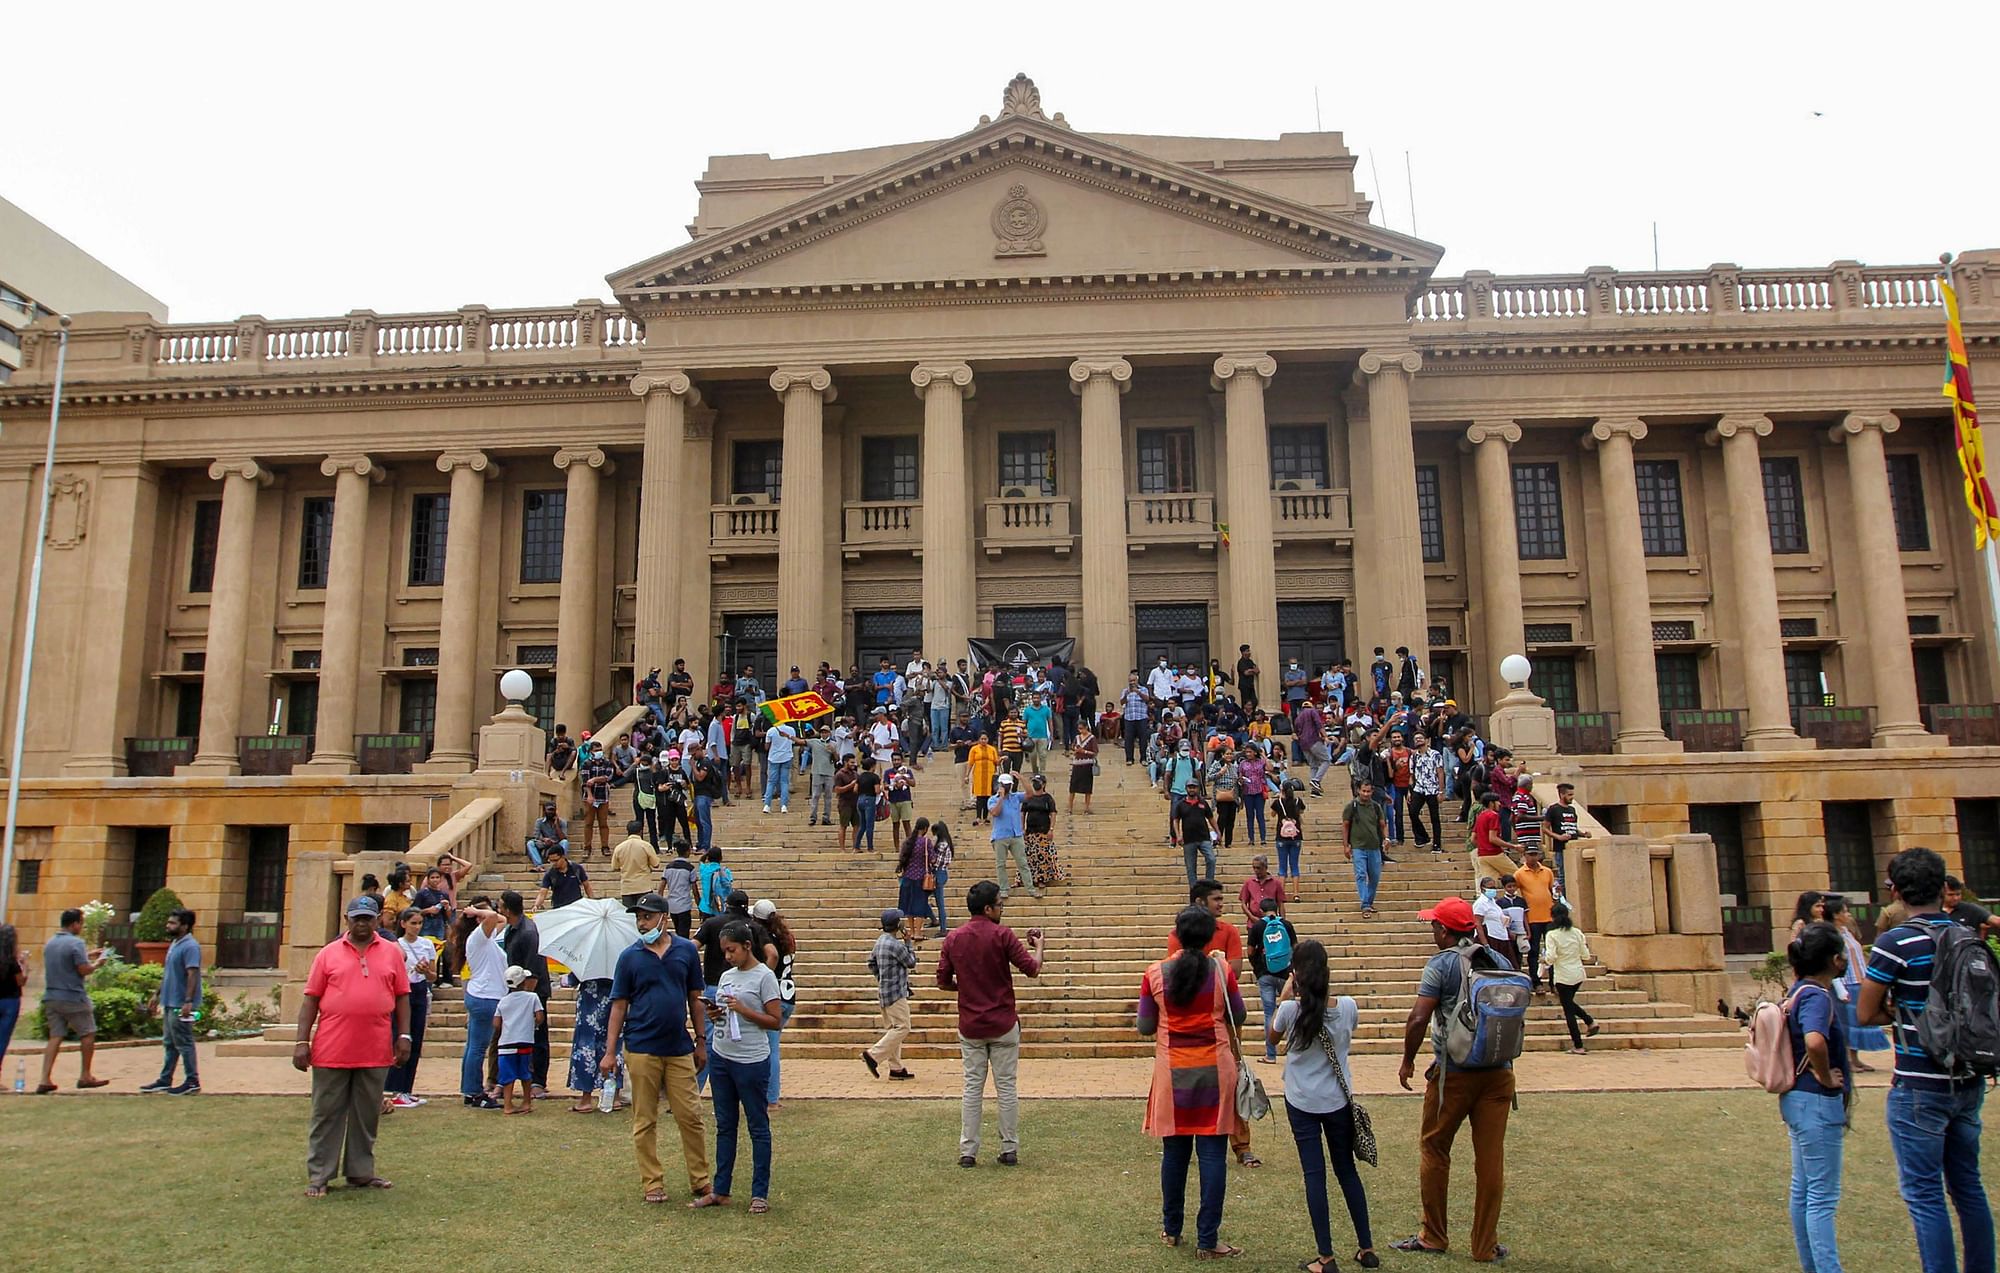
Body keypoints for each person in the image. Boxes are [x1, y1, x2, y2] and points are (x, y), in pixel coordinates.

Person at [1858, 846, 1996, 1273]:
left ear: (1896, 891)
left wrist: (1903, 1011)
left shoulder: (1895, 941)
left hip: (1919, 1082)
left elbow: (1865, 1013)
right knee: (1968, 1187)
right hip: (1968, 1078)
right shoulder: (1967, 936)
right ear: (1943, 888)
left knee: (1924, 1193)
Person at [1392, 896, 1515, 1262]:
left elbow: (1418, 1019)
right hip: (1499, 1072)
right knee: (1490, 1159)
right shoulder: (1499, 959)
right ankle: (1484, 1245)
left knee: (1434, 1147)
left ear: (1444, 930)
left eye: (1434, 925)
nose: (1433, 930)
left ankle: (1434, 1234)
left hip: (1454, 1073)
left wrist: (1408, 1061)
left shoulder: (1441, 965)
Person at [1138, 906, 1246, 1259]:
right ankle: (1208, 1239)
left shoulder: (1155, 973)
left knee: (1175, 1153)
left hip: (1173, 1070)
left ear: (1177, 935)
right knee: (1213, 1154)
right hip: (1215, 1068)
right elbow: (1239, 1014)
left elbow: (1144, 1026)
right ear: (1208, 937)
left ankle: (1171, 1229)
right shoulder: (1221, 970)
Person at [292, 896, 411, 1197]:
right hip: (332, 1047)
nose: (362, 924)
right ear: (346, 919)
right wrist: (301, 1041)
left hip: (375, 1046)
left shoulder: (391, 953)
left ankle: (360, 1172)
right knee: (326, 1113)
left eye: (367, 918)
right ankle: (320, 1175)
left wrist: (405, 1036)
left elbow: (402, 996)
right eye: (356, 918)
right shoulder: (328, 954)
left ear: (378, 920)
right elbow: (311, 1000)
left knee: (366, 1113)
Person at [1271, 938, 1375, 1273]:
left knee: (1314, 1174)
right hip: (1337, 1100)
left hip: (1302, 1099)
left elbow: (1272, 1039)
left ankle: (1326, 1257)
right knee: (1347, 1172)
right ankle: (1366, 1247)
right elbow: (1348, 1034)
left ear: (1296, 974)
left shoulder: (1290, 1011)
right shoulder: (1347, 1006)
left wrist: (1287, 993)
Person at [604, 893, 713, 1205]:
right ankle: (652, 1182)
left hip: (678, 1046)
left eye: (647, 917)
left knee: (690, 1114)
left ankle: (701, 1179)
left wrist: (701, 1039)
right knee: (645, 1118)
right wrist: (610, 1051)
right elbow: (619, 1005)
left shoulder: (685, 952)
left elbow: (695, 997)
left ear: (664, 918)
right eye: (639, 917)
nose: (642, 923)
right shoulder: (629, 957)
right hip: (640, 1046)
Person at [936, 879, 1044, 1167]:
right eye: (999, 904)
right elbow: (1032, 969)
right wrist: (1039, 947)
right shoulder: (1003, 935)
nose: (1002, 908)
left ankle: (967, 1151)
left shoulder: (954, 938)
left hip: (971, 1024)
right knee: (1006, 1087)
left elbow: (943, 981)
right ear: (988, 908)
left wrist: (967, 987)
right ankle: (1009, 1148)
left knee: (972, 1087)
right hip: (1003, 1023)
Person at [693, 918, 783, 1214]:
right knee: (725, 1125)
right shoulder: (728, 975)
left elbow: (774, 1020)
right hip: (722, 1056)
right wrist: (716, 1012)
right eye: (724, 951)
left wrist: (744, 1009)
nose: (728, 956)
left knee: (757, 1126)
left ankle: (760, 1193)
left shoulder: (763, 977)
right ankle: (721, 1189)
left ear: (747, 946)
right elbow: (724, 1014)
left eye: (732, 950)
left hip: (751, 1060)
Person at [1778, 921, 1852, 1273]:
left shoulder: (1796, 991)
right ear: (1835, 960)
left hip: (1796, 1100)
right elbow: (1814, 1040)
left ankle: (1813, 1266)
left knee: (1804, 1190)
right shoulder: (1817, 997)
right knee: (1822, 1197)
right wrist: (1825, 1075)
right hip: (1817, 1101)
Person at [35, 907, 110, 1094]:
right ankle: (85, 1075)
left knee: (56, 1036)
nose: (81, 927)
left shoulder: (51, 943)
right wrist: (97, 963)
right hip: (72, 996)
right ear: (75, 923)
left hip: (52, 996)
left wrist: (88, 954)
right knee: (87, 1033)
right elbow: (83, 969)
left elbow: (66, 961)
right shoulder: (76, 943)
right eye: (80, 923)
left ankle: (45, 1078)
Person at [139, 907, 202, 1094]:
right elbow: (168, 973)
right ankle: (165, 1079)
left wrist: (188, 1001)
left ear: (185, 926)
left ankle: (192, 1080)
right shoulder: (175, 944)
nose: (168, 926)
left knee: (184, 1041)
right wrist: (156, 995)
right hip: (169, 1000)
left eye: (173, 923)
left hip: (180, 1002)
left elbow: (193, 973)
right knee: (169, 1042)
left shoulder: (190, 946)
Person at [500, 890, 553, 1095]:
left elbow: (534, 970)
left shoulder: (528, 933)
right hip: (517, 989)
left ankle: (538, 1080)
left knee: (538, 1035)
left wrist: (526, 1000)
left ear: (507, 909)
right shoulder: (511, 930)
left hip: (533, 991)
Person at [455, 901, 507, 1108]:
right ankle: (473, 1091)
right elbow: (494, 917)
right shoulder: (477, 938)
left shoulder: (487, 939)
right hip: (485, 996)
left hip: (484, 994)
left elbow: (500, 920)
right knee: (477, 1047)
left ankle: (470, 1089)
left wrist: (479, 912)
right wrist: (476, 911)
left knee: (473, 1046)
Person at [384, 907, 434, 1108]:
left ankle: (406, 1088)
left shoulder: (427, 944)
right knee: (400, 1037)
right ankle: (395, 1087)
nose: (417, 927)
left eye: (420, 923)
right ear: (403, 924)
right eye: (413, 923)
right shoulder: (396, 945)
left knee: (416, 1037)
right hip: (401, 990)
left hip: (420, 989)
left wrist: (426, 972)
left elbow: (433, 975)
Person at [751, 899, 799, 1109]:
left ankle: (771, 1097)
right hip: (788, 994)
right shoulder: (787, 936)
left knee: (770, 1049)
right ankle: (768, 1094)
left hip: (774, 996)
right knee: (772, 1046)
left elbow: (772, 958)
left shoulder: (766, 940)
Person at [864, 909, 918, 1081]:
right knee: (903, 1027)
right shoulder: (895, 945)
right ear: (897, 924)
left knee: (892, 1028)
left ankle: (896, 1068)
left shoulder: (880, 941)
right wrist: (908, 943)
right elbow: (911, 963)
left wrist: (881, 978)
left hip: (884, 991)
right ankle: (873, 1055)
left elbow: (871, 963)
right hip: (896, 992)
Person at [1540, 901, 1600, 1054]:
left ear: (1552, 917)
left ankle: (1578, 1044)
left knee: (1568, 1009)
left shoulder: (1552, 935)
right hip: (1578, 973)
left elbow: (1551, 957)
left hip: (1563, 975)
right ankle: (1589, 1021)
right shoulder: (1577, 932)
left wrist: (1544, 960)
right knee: (1568, 1003)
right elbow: (1585, 955)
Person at [569, 965, 627, 1113]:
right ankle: (614, 1097)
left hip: (589, 1004)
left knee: (586, 1048)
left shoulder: (588, 957)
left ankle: (586, 1099)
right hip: (615, 1000)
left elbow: (572, 979)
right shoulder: (621, 956)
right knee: (614, 1046)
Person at [1248, 898, 1298, 1065]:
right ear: (1276, 909)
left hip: (1265, 974)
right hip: (1286, 974)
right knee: (1290, 1011)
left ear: (1261, 911)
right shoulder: (1287, 925)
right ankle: (1294, 1052)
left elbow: (1249, 951)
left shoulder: (1257, 927)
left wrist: (1257, 969)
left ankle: (1270, 1055)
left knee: (1269, 1013)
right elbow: (1296, 948)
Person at [494, 965, 545, 1115]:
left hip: (506, 1043)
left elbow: (496, 1023)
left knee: (507, 1074)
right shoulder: (532, 997)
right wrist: (533, 1024)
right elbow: (540, 1016)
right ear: (524, 982)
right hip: (525, 1040)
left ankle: (508, 1105)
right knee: (525, 1073)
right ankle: (526, 1101)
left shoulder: (503, 1001)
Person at [1514, 846, 1558, 994]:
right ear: (1524, 855)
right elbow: (1515, 893)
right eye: (1530, 854)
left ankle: (1554, 982)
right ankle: (1536, 982)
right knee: (1533, 951)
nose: (1533, 857)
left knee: (1552, 950)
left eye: (1535, 854)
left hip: (1549, 916)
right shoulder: (1519, 874)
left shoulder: (1547, 872)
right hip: (1532, 917)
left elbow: (1552, 891)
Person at [987, 773, 1038, 898]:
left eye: (1008, 785)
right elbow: (995, 813)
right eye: (1005, 785)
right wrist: (1001, 797)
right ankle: (1004, 889)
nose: (1007, 787)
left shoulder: (1016, 797)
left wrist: (1021, 778)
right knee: (1001, 864)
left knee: (1022, 863)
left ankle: (1030, 888)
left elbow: (1030, 794)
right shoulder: (992, 799)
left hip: (1016, 835)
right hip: (1000, 836)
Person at [1342, 779, 1386, 917]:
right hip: (1358, 847)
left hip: (1374, 846)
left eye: (1368, 791)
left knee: (1374, 876)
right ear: (1358, 791)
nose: (1366, 794)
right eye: (1363, 791)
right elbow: (1345, 825)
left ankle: (1368, 901)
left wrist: (1386, 838)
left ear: (1372, 791)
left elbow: (1383, 824)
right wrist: (1346, 845)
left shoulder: (1376, 807)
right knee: (1361, 875)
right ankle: (1365, 904)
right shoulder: (1352, 806)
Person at [896, 819, 938, 941]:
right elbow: (933, 859)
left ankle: (912, 931)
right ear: (925, 828)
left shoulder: (907, 842)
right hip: (921, 878)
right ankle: (918, 932)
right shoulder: (925, 842)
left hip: (907, 877)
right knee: (920, 905)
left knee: (909, 905)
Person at [1022, 774, 1066, 888]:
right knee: (1030, 856)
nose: (1036, 784)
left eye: (1038, 782)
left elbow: (1053, 813)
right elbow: (1023, 813)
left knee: (1043, 856)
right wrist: (1022, 828)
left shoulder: (1048, 798)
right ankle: (1030, 879)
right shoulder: (1029, 797)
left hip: (1043, 831)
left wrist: (1051, 829)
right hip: (1030, 831)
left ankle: (1042, 879)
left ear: (1044, 784)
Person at [1470, 792, 1519, 884]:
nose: (1500, 804)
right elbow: (1493, 838)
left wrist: (1483, 846)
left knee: (1488, 884)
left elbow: (1473, 839)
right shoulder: (1493, 815)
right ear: (1491, 803)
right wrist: (1513, 846)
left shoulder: (1480, 816)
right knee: (1518, 876)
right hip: (1494, 853)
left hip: (1482, 855)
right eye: (1497, 802)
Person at [611, 821, 660, 910]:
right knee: (645, 914)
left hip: (627, 887)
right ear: (640, 831)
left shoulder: (619, 847)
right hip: (643, 886)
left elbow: (614, 867)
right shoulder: (646, 846)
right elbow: (656, 864)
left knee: (629, 917)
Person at [1176, 787, 1218, 888]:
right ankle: (1194, 890)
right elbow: (1176, 820)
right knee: (1191, 867)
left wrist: (1218, 832)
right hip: (1189, 840)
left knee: (1211, 859)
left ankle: (1209, 884)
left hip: (1204, 837)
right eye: (1189, 787)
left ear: (1198, 789)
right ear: (1186, 789)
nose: (1192, 790)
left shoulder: (1203, 803)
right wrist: (1178, 835)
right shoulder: (1181, 804)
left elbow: (1211, 818)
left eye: (1194, 787)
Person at [1543, 782, 1582, 885]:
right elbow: (1545, 828)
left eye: (1572, 794)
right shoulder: (1553, 809)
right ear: (1562, 795)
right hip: (1561, 848)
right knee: (1562, 876)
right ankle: (1562, 899)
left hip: (1574, 846)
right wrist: (1558, 837)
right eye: (1569, 795)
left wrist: (1583, 834)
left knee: (1575, 875)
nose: (1572, 797)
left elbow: (1572, 827)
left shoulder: (1572, 809)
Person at [535, 844, 593, 911]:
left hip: (577, 908)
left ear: (563, 857)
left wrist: (592, 901)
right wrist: (536, 905)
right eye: (551, 861)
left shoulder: (576, 869)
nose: (553, 863)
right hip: (559, 908)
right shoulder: (550, 874)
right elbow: (543, 892)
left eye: (556, 860)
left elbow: (587, 886)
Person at [1273, 777, 1307, 893]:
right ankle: (1296, 893)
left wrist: (1279, 798)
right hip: (1296, 836)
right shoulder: (1298, 801)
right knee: (1295, 866)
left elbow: (1273, 814)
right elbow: (1301, 812)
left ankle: (1282, 893)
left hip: (1281, 836)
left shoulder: (1278, 802)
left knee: (1282, 867)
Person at [661, 841, 698, 937]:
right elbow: (694, 890)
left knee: (678, 930)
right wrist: (699, 904)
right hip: (684, 904)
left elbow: (661, 888)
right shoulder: (690, 868)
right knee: (684, 933)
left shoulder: (668, 867)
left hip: (672, 905)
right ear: (687, 852)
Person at [0, 923, 23, 1074]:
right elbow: (21, 981)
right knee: (2, 1038)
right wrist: (24, 965)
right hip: (10, 1001)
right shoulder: (12, 962)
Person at [762, 718, 797, 814]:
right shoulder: (791, 729)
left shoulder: (771, 731)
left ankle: (767, 805)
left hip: (774, 757)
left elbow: (766, 746)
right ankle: (784, 805)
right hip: (787, 756)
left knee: (771, 782)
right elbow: (793, 742)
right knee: (784, 781)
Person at [1240, 855, 1286, 926]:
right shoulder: (1249, 883)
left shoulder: (1276, 883)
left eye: (1258, 868)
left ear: (1265, 868)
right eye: (1254, 868)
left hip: (1272, 922)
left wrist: (1282, 922)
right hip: (1253, 923)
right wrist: (1251, 917)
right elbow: (1243, 903)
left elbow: (1280, 904)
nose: (1256, 870)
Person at [1067, 722, 1098, 814]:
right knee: (1073, 787)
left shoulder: (1092, 738)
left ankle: (1087, 807)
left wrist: (1084, 751)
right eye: (1079, 729)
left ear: (1086, 727)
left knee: (1087, 787)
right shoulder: (1077, 738)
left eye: (1082, 728)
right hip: (1077, 764)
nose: (1081, 730)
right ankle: (1070, 808)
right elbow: (1072, 747)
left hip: (1087, 764)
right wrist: (1075, 750)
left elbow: (1095, 752)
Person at [527, 800, 568, 868]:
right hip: (545, 844)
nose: (551, 812)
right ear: (544, 811)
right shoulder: (539, 822)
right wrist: (544, 839)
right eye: (549, 810)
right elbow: (536, 836)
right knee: (530, 843)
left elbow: (563, 838)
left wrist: (557, 825)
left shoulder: (562, 822)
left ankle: (559, 862)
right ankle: (539, 865)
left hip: (556, 844)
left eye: (553, 810)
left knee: (565, 842)